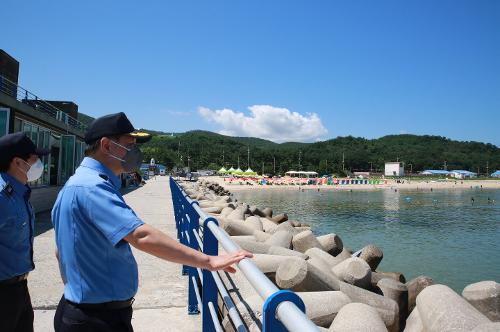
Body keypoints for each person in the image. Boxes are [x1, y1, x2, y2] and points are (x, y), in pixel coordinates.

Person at [51, 112, 251, 332]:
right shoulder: (92, 188)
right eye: (130, 145)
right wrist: (209, 261)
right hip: (94, 319)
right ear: (106, 145)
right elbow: (141, 236)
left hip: (88, 311)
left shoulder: (78, 184)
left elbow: (61, 252)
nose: (136, 152)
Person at [0, 132, 50, 332]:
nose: (39, 165)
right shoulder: (2, 196)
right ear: (18, 163)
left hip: (18, 288)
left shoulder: (19, 192)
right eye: (35, 159)